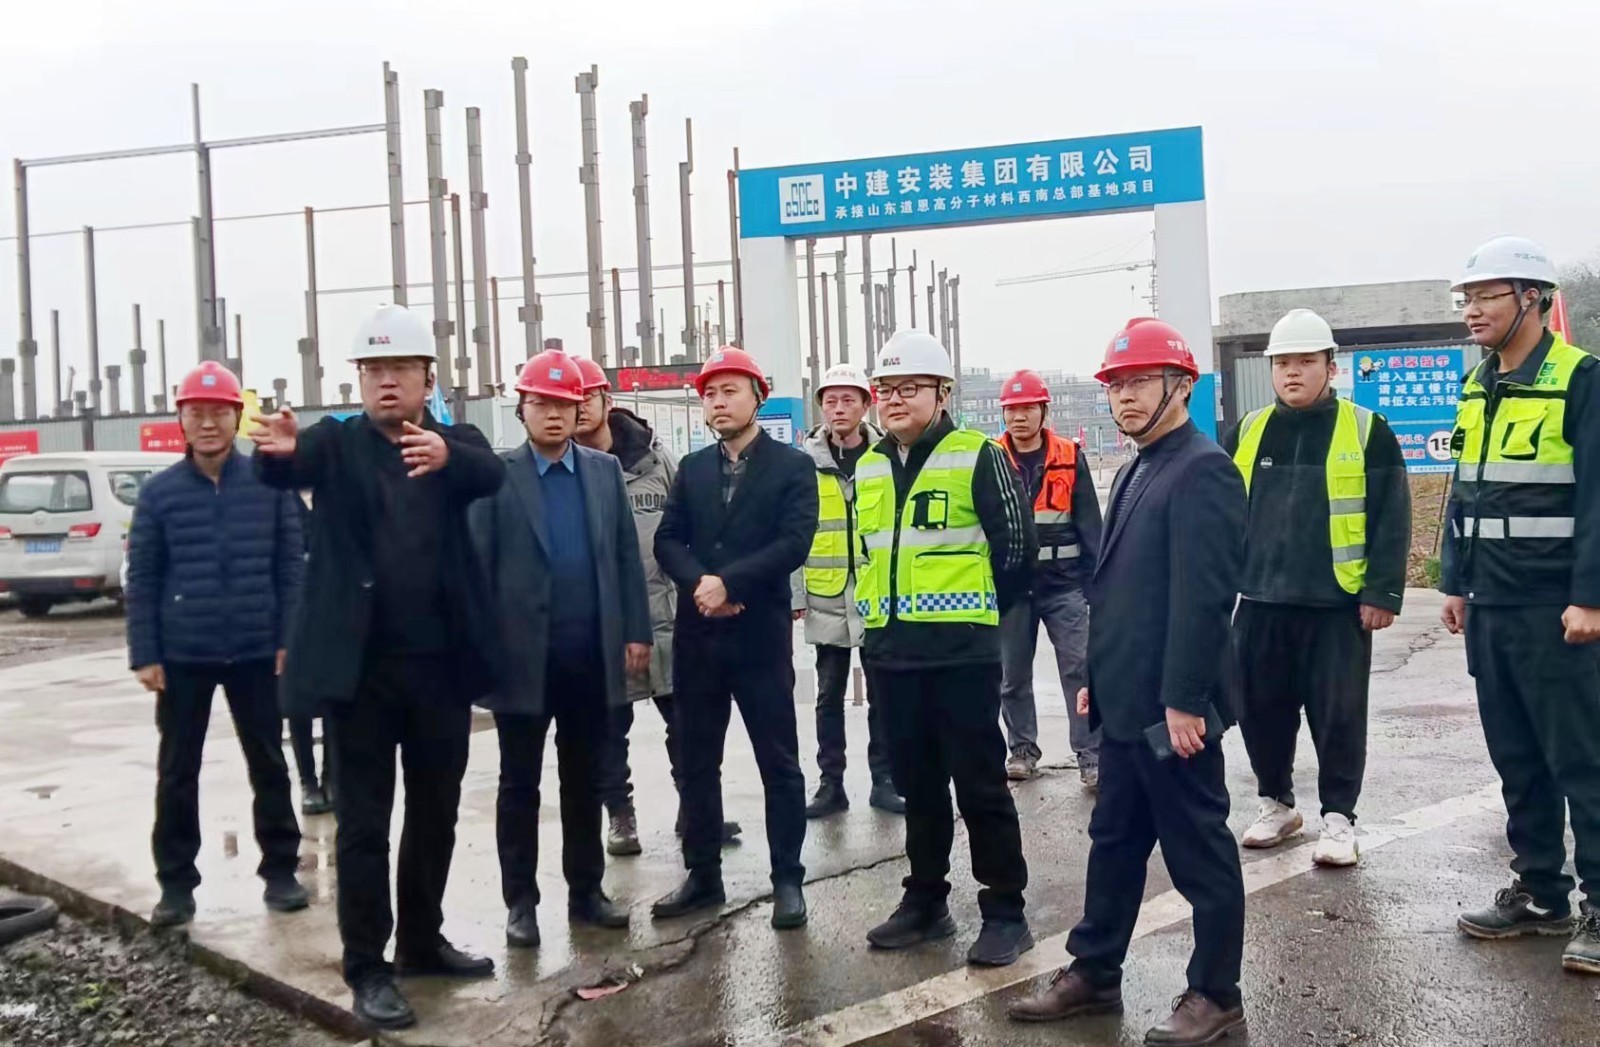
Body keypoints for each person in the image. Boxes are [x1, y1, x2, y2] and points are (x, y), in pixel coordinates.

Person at [250, 303, 506, 1031]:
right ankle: (367, 965)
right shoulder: (336, 443)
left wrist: (447, 456)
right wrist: (276, 453)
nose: (385, 381)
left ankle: (422, 941)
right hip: (360, 675)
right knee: (364, 822)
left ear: (427, 377)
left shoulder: (454, 442)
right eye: (372, 370)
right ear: (358, 380)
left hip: (439, 671)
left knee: (436, 811)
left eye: (399, 368)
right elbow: (284, 467)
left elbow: (492, 473)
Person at [1009, 318, 1248, 1046]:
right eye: (1117, 385)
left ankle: (1217, 994)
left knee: (1198, 848)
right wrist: (1097, 680)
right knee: (1113, 839)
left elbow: (1204, 598)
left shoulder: (1204, 469)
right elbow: (1115, 591)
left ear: (1183, 385)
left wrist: (1185, 698)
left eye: (1141, 382)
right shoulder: (1135, 468)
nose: (1126, 397)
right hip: (1124, 703)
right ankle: (1094, 972)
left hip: (1173, 712)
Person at [1440, 236, 1600, 974]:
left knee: (1582, 760)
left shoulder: (1580, 380)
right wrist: (1455, 580)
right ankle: (1541, 892)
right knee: (1517, 757)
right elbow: (1465, 490)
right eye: (1466, 298)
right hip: (1492, 601)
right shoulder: (1478, 385)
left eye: (1487, 296)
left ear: (1532, 298)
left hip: (1554, 607)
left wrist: (1589, 596)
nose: (1472, 310)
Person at [857, 330, 1037, 968]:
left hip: (961, 656)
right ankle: (926, 901)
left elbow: (1016, 550)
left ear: (942, 393)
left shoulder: (976, 454)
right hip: (891, 656)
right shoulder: (870, 466)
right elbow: (867, 556)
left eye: (909, 388)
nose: (894, 400)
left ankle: (1005, 910)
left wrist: (973, 619)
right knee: (919, 787)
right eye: (886, 390)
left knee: (980, 785)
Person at [469, 350, 652, 948]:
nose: (553, 413)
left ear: (581, 410)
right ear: (521, 409)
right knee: (519, 785)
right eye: (541, 403)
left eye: (564, 404)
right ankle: (520, 903)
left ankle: (587, 893)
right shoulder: (498, 476)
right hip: (521, 661)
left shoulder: (602, 472)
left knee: (583, 780)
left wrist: (636, 630)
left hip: (587, 657)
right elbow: (478, 565)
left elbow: (625, 555)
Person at [1224, 308, 1410, 867]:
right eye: (1282, 362)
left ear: (1331, 367)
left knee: (1339, 716)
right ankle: (1276, 804)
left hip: (1336, 605)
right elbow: (1220, 513)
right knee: (1260, 712)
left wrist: (1381, 592)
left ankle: (1338, 818)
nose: (1292, 372)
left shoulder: (1368, 430)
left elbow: (1391, 515)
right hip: (1260, 601)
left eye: (1305, 361)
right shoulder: (1249, 431)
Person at [126, 360, 308, 929]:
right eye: (196, 413)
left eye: (219, 413)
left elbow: (291, 567)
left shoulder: (271, 485)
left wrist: (289, 639)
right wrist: (145, 653)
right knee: (177, 771)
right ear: (181, 420)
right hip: (184, 654)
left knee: (269, 763)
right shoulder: (159, 495)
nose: (208, 424)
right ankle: (176, 884)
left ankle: (281, 871)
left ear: (236, 418)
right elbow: (143, 578)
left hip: (257, 650)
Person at [650, 347, 817, 931]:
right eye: (710, 394)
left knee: (779, 763)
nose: (718, 403)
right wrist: (702, 584)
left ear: (757, 397)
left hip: (759, 639)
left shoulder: (792, 467)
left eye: (729, 391)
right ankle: (702, 874)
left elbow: (793, 541)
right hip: (699, 639)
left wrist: (733, 583)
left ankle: (787, 879)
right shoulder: (693, 468)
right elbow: (667, 538)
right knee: (697, 761)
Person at [574, 357, 742, 854]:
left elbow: (690, 529)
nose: (578, 407)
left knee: (687, 726)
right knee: (608, 731)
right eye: (569, 399)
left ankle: (696, 810)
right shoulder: (566, 470)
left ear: (607, 400)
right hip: (602, 625)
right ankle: (620, 816)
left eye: (587, 396)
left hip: (667, 619)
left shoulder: (656, 459)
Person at [796, 363, 904, 819]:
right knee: (828, 697)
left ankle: (885, 781)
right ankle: (831, 785)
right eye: (830, 401)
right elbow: (793, 530)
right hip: (826, 597)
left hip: (876, 595)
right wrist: (796, 596)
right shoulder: (804, 463)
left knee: (883, 694)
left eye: (847, 400)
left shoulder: (887, 457)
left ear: (865, 405)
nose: (838, 408)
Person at [995, 369, 1105, 787]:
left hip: (1064, 586)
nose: (1018, 417)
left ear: (1044, 411)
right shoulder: (991, 458)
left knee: (1080, 670)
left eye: (1027, 408)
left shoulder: (1069, 455)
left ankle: (1091, 756)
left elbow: (1090, 525)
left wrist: (1097, 587)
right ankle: (1022, 751)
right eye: (1011, 409)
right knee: (1013, 676)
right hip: (1013, 588)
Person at [286, 492, 333, 817]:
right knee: (298, 705)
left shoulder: (336, 490)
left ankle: (332, 777)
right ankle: (308, 782)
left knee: (335, 701)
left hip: (334, 611)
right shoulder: (283, 496)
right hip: (295, 617)